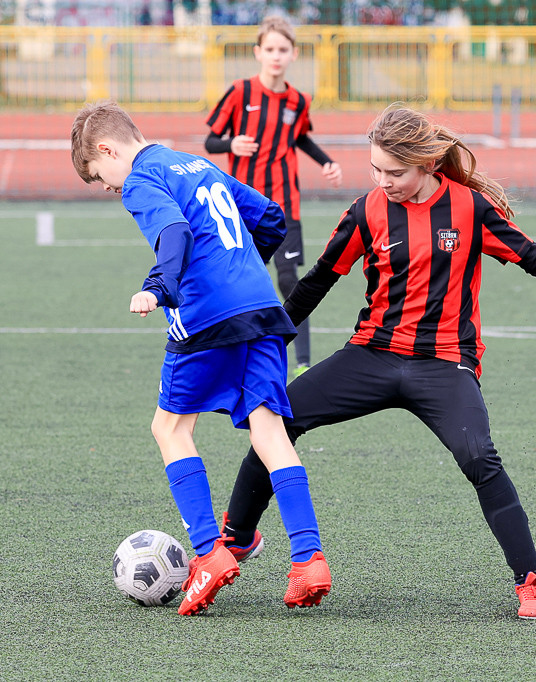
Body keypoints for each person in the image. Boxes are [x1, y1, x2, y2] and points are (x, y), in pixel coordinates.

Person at [219, 103, 536, 620]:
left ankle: (531, 582)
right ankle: (235, 539)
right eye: (375, 170)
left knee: (480, 457)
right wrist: (267, 339)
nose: (383, 181)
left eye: (395, 172)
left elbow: (535, 256)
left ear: (428, 165)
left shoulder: (470, 209)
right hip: (371, 354)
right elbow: (318, 280)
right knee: (273, 421)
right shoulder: (367, 211)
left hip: (445, 364)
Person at [70, 101, 332, 616]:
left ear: (108, 149)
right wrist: (239, 272)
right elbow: (272, 219)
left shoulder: (143, 178)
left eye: (102, 177)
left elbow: (174, 232)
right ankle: (308, 559)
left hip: (207, 314)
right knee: (269, 430)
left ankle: (211, 555)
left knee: (170, 428)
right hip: (260, 305)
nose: (109, 188)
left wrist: (159, 285)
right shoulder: (196, 162)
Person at [205, 15, 343, 379]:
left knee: (288, 279)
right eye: (270, 49)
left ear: (293, 54)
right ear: (258, 53)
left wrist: (326, 162)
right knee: (240, 281)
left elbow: (300, 138)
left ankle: (302, 361)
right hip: (241, 206)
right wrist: (231, 143)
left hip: (284, 205)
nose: (276, 56)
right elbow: (210, 140)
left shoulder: (298, 100)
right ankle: (228, 355)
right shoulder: (240, 92)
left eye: (283, 49)